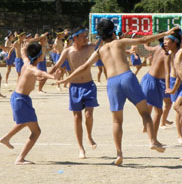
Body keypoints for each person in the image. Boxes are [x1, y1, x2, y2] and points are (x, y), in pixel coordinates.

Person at [58, 19, 173, 165]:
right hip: (127, 77)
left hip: (112, 83)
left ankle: (119, 154)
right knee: (144, 113)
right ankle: (152, 140)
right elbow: (144, 39)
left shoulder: (99, 50)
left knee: (117, 121)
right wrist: (166, 33)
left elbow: (84, 67)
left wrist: (65, 79)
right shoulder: (119, 42)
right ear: (113, 32)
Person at [0, 42, 61, 165]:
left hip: (20, 98)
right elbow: (40, 74)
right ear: (39, 56)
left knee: (25, 122)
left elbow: (23, 55)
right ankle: (20, 158)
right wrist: (54, 77)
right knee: (36, 131)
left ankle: (6, 138)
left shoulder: (27, 63)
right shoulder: (33, 68)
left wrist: (23, 49)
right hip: (21, 99)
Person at [49, 27, 99, 159]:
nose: (86, 38)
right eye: (83, 36)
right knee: (77, 118)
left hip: (89, 85)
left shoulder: (90, 48)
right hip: (74, 87)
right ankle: (81, 148)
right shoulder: (67, 51)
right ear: (75, 38)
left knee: (88, 114)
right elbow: (56, 66)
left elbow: (103, 44)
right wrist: (45, 75)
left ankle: (89, 135)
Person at [140, 37, 172, 138]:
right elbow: (167, 73)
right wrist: (168, 86)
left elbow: (147, 47)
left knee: (152, 106)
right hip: (155, 81)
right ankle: (153, 138)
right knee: (159, 111)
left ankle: (147, 126)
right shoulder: (166, 54)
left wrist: (146, 43)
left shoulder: (158, 48)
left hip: (149, 78)